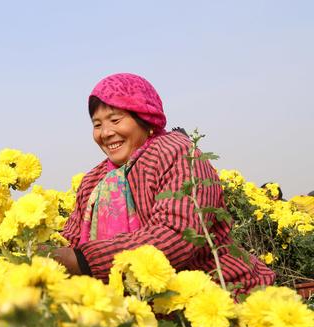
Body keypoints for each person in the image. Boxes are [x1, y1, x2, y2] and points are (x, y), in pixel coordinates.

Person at [54, 73, 275, 292]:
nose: (106, 132)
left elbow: (177, 236)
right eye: (97, 124)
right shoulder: (94, 179)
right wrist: (41, 253)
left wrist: (82, 261)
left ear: (144, 116)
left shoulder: (175, 153)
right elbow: (69, 240)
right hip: (137, 308)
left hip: (214, 294)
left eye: (115, 120)